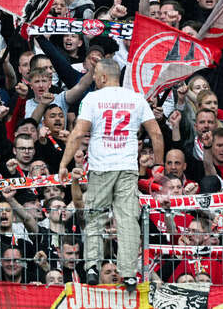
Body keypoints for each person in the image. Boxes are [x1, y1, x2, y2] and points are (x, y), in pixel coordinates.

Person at [57, 58, 164, 290]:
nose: (94, 79)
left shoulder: (93, 99)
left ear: (103, 77)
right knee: (128, 220)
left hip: (101, 168)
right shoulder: (136, 98)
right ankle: (129, 273)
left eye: (95, 75)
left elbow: (77, 134)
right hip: (127, 168)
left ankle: (93, 266)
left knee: (94, 217)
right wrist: (159, 165)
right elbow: (155, 133)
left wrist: (64, 162)